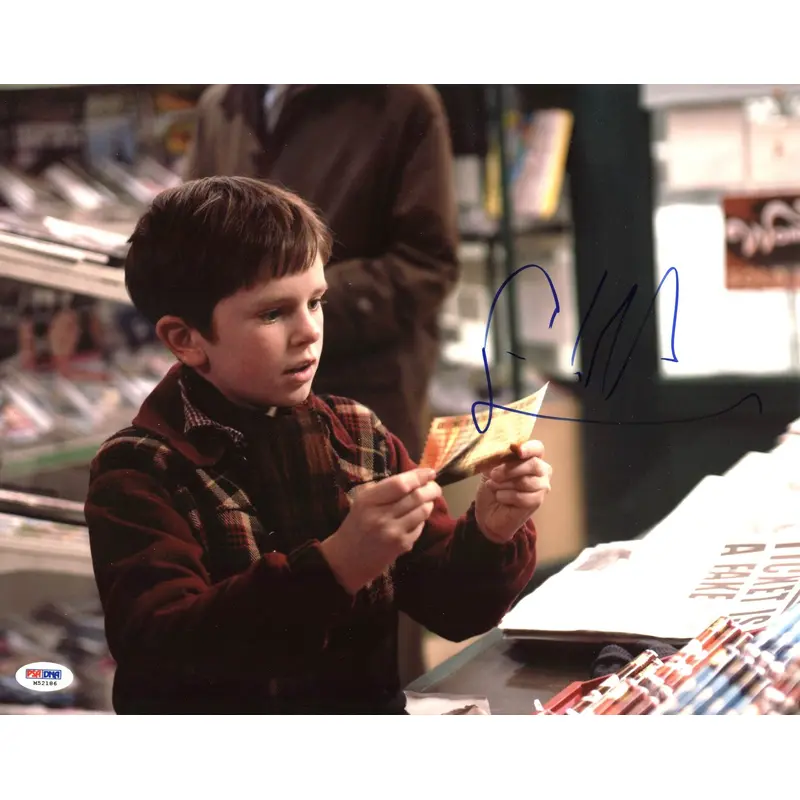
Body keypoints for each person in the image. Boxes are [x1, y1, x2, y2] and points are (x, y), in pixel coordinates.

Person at [84, 177, 552, 715]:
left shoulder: (357, 433)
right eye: (272, 313)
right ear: (185, 340)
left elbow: (454, 610)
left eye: (317, 301)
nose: (309, 331)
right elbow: (164, 650)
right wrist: (336, 566)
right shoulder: (140, 469)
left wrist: (493, 530)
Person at [183, 83, 460, 684]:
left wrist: (291, 306)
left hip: (366, 391)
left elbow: (426, 263)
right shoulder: (223, 103)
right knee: (249, 590)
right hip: (237, 401)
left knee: (382, 592)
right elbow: (193, 238)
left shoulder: (398, 101)